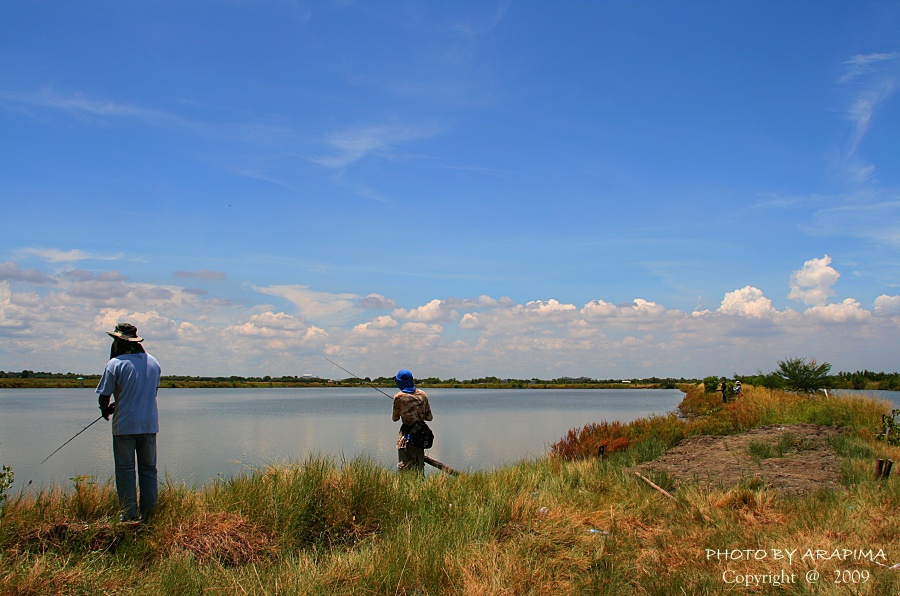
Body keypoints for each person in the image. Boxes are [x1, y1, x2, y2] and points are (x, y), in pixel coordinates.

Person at [95, 323, 161, 522]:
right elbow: (150, 393)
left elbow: (104, 396)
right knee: (148, 470)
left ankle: (129, 515)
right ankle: (150, 515)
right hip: (149, 425)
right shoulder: (154, 362)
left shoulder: (115, 364)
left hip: (124, 426)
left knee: (125, 470)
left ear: (120, 342)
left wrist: (105, 410)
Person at [391, 369, 433, 475]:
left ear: (400, 382)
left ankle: (406, 490)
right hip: (421, 435)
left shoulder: (398, 397)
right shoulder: (423, 394)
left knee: (405, 467)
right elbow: (429, 417)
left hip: (406, 436)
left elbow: (395, 418)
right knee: (419, 466)